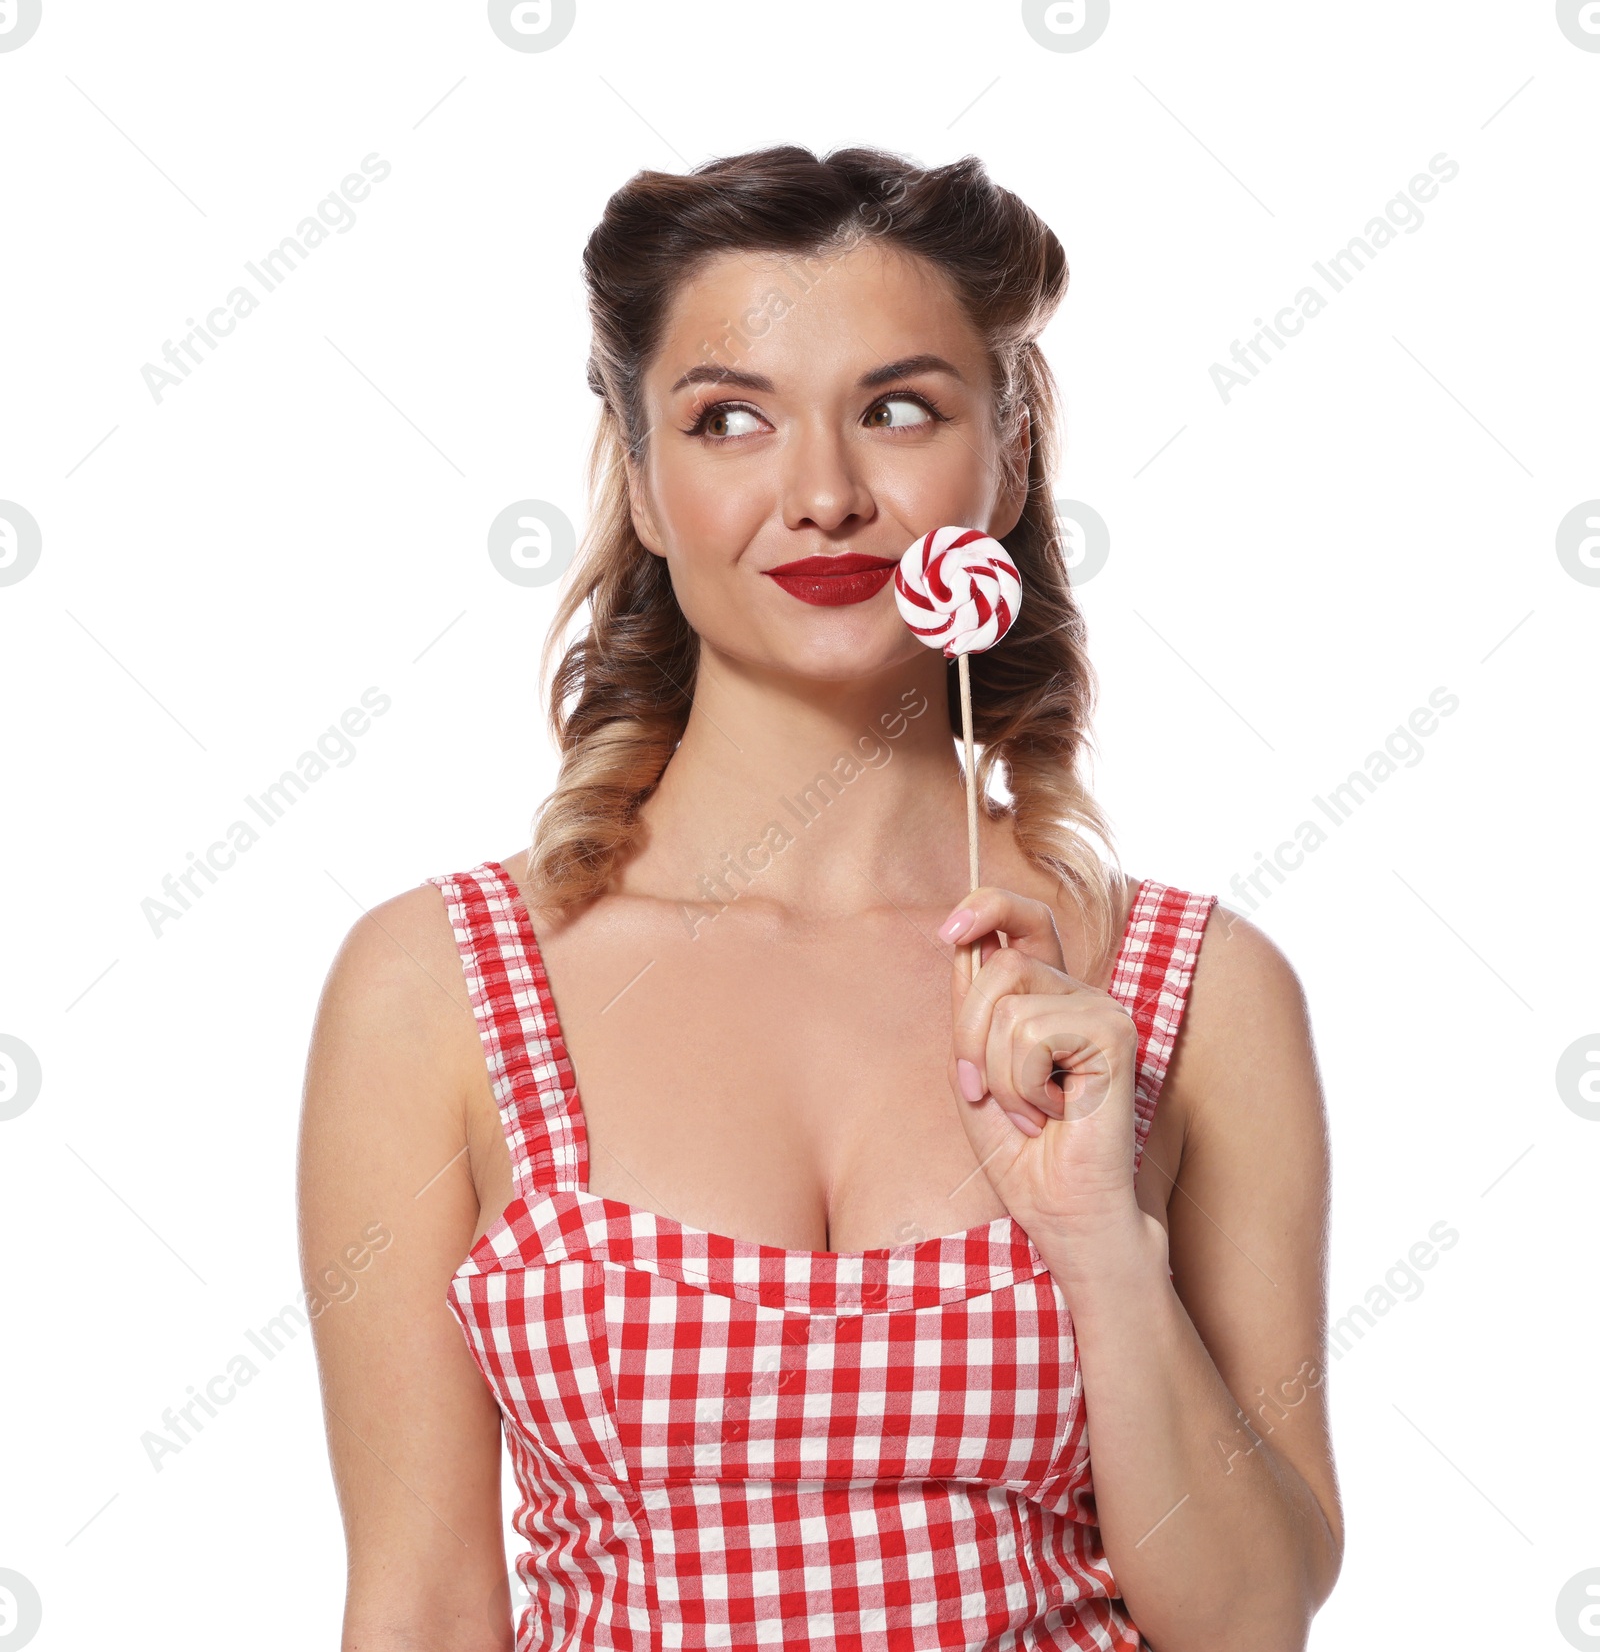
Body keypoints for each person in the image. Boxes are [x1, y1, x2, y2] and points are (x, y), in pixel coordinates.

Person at [298, 144, 1342, 1651]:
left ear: (1013, 453)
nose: (828, 494)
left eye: (900, 409)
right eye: (730, 420)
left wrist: (1103, 1239)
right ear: (645, 488)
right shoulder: (436, 984)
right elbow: (420, 1607)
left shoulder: (1198, 987)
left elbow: (1251, 1623)